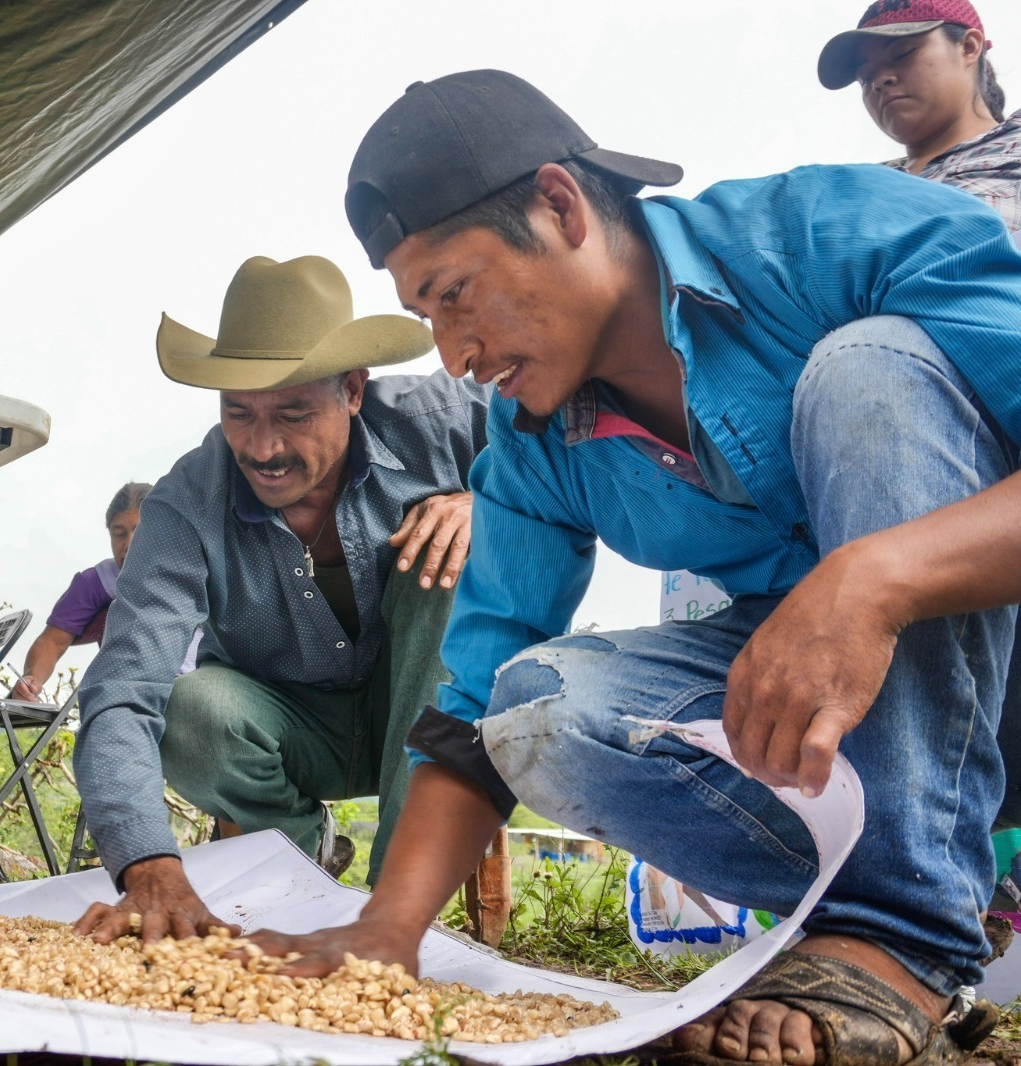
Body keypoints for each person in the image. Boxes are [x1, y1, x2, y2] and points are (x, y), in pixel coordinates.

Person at [245, 70, 1021, 1066]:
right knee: (536, 706)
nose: (450, 354)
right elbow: (472, 701)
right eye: (424, 316)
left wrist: (871, 578)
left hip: (1001, 670)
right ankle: (872, 936)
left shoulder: (830, 231)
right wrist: (387, 933)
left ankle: (902, 936)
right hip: (871, 746)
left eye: (452, 295)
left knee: (865, 367)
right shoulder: (530, 446)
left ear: (559, 206)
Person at [70, 255, 490, 944]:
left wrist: (488, 502)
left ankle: (401, 906)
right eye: (239, 413)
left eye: (294, 414)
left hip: (426, 713)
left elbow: (566, 447)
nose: (263, 447)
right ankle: (301, 871)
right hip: (294, 728)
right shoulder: (184, 504)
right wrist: (147, 862)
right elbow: (124, 687)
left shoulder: (440, 421)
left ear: (354, 390)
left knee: (457, 550)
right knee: (193, 708)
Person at [819, 0, 1018, 235]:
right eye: (866, 77)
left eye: (902, 54)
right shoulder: (854, 190)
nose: (880, 80)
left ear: (969, 47)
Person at [9, 481, 202, 701]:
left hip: (195, 690)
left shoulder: (197, 573)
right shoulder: (96, 582)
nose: (129, 544)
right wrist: (33, 678)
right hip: (128, 694)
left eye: (140, 531)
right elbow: (52, 641)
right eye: (119, 534)